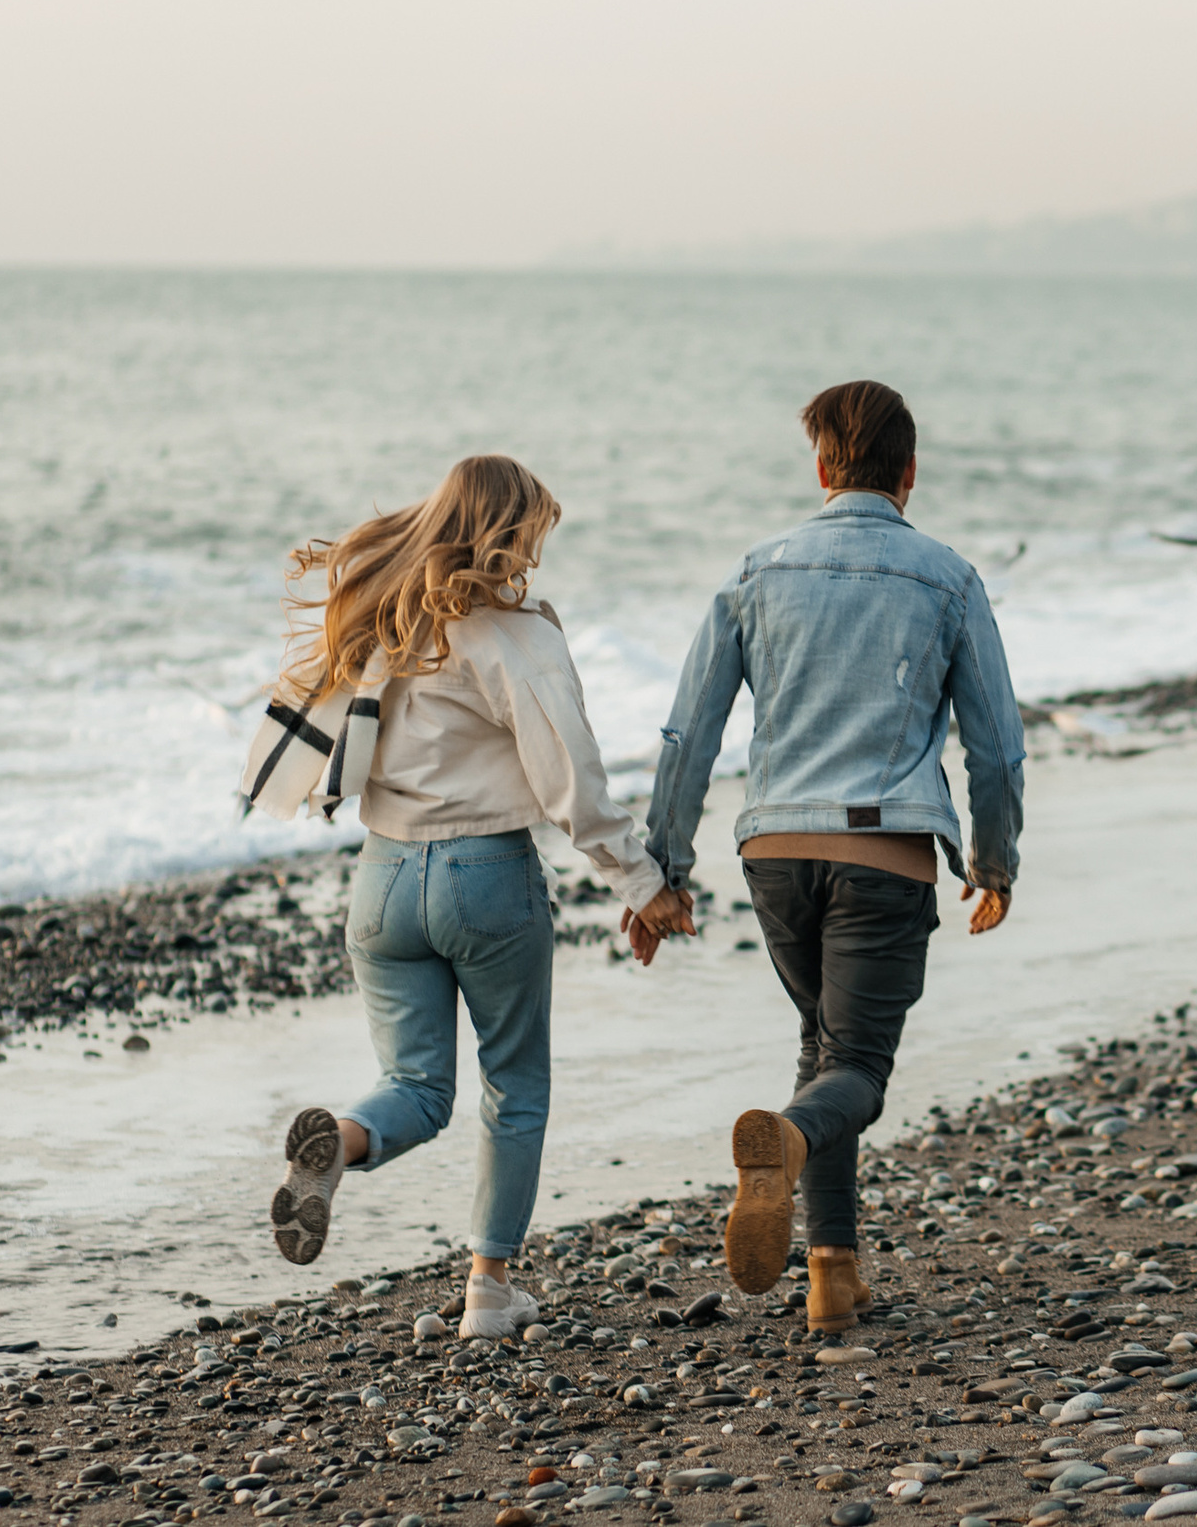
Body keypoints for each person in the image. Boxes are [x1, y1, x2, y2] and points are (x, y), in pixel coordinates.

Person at [258, 455, 695, 1338]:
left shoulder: (384, 626)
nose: (539, 549)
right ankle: (488, 1289)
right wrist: (644, 883)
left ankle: (337, 1145)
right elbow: (570, 774)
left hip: (382, 881)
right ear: (509, 530)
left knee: (414, 1085)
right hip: (482, 876)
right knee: (515, 1083)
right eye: (536, 530)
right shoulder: (508, 634)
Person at [636, 381, 1024, 1334]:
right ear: (909, 473)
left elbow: (691, 734)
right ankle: (792, 1141)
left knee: (822, 1041)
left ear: (820, 469)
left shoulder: (755, 573)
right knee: (854, 1066)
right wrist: (995, 857)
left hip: (773, 848)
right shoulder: (948, 577)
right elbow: (998, 744)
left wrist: (664, 869)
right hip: (885, 853)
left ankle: (831, 1276)